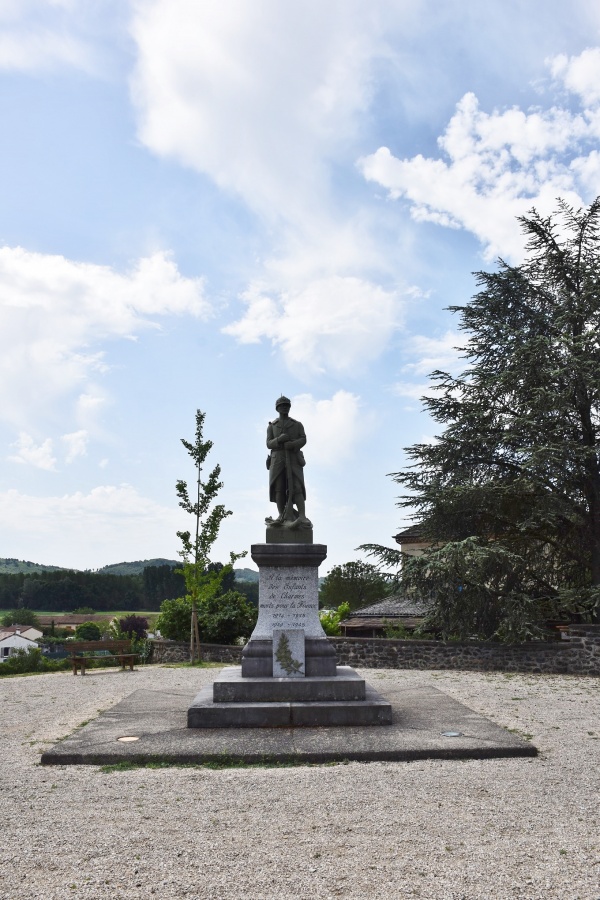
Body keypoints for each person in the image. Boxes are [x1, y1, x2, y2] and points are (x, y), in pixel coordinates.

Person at [266, 395, 311, 528]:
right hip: (277, 458)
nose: (284, 408)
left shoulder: (297, 425)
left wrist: (292, 444)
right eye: (282, 406)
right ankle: (281, 515)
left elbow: (303, 439)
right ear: (277, 408)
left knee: (296, 487)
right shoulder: (272, 426)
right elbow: (268, 443)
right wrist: (279, 439)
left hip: (293, 458)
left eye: (286, 405)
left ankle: (302, 516)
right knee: (279, 488)